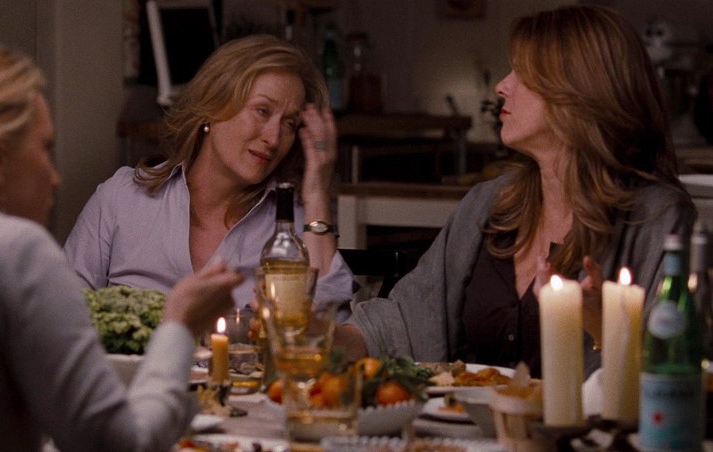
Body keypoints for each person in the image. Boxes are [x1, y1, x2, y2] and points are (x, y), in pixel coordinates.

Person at [0, 40, 243, 452]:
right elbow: (118, 446)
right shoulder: (13, 251)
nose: (55, 178)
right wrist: (179, 325)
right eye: (44, 149)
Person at [336, 5, 696, 378]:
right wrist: (322, 342)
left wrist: (604, 328)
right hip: (462, 415)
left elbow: (674, 371)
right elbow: (403, 319)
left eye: (522, 74)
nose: (502, 86)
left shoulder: (657, 220)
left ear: (575, 93)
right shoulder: (489, 204)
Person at [63, 34, 352, 311]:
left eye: (289, 124)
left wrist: (317, 194)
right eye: (262, 111)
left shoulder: (295, 228)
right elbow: (61, 316)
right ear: (213, 105)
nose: (274, 138)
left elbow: (329, 328)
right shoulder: (122, 199)